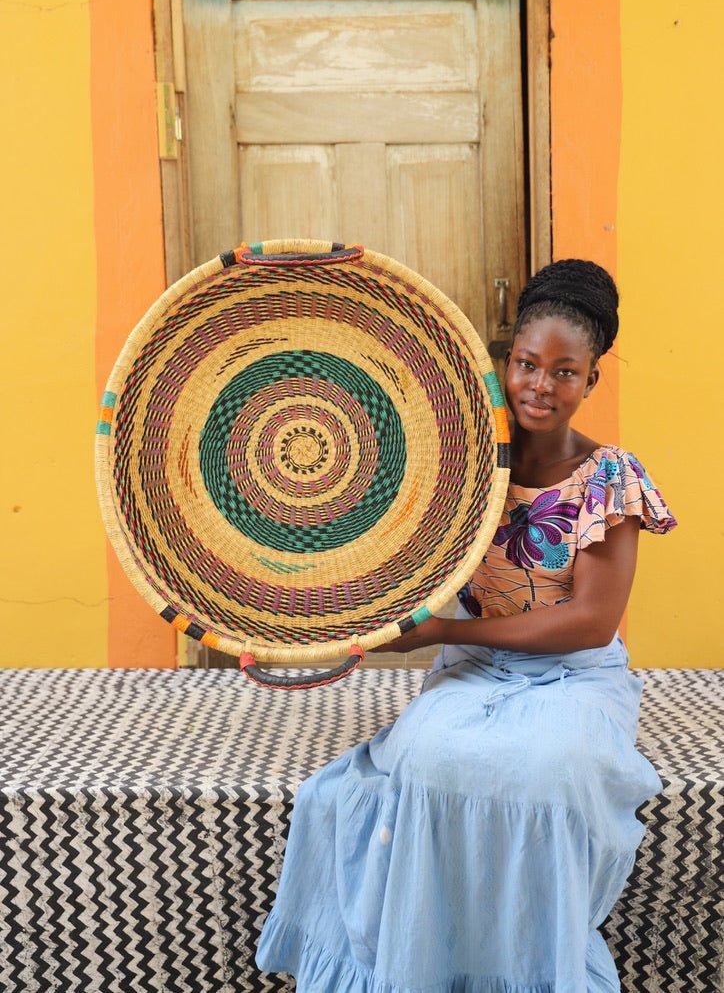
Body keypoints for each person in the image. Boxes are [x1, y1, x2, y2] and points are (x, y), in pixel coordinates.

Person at [256, 259, 677, 992]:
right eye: (526, 363)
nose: (540, 386)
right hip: (475, 674)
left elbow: (588, 622)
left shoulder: (609, 479)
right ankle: (432, 964)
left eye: (565, 372)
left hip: (573, 678)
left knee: (546, 773)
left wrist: (440, 634)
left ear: (591, 382)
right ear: (504, 361)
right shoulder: (463, 463)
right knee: (429, 760)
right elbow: (374, 532)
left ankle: (523, 968)